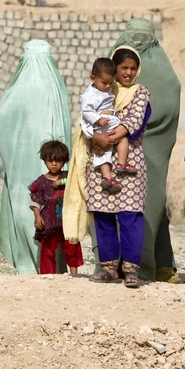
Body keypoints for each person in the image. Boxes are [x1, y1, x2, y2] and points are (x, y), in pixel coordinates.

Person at [63, 47, 151, 289]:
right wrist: (94, 137)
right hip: (100, 161)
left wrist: (105, 139)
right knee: (103, 216)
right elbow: (85, 118)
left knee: (130, 216)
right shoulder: (102, 89)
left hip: (128, 164)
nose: (129, 73)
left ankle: (131, 269)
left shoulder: (140, 93)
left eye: (133, 68)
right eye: (124, 68)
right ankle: (109, 268)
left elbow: (134, 122)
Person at [110, 18, 182, 283]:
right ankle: (160, 265)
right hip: (153, 152)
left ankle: (127, 266)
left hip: (128, 150)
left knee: (125, 206)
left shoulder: (119, 62)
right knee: (152, 204)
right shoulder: (166, 73)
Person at [0, 39, 71, 274]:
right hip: (55, 164)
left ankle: (28, 265)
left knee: (24, 206)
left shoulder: (16, 89)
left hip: (21, 165)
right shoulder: (55, 86)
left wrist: (11, 156)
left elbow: (2, 125)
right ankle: (51, 267)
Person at [80, 57, 134, 195]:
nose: (108, 86)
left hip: (110, 121)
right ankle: (107, 177)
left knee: (122, 140)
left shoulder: (106, 90)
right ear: (93, 78)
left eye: (111, 83)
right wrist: (97, 120)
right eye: (104, 83)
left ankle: (121, 164)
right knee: (103, 151)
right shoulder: (90, 94)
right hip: (101, 124)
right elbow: (86, 111)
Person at [29, 140, 83, 276]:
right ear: (45, 161)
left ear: (64, 161)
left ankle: (74, 274)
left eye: (58, 161)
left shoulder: (67, 177)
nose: (54, 164)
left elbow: (78, 179)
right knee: (47, 250)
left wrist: (62, 182)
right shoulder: (41, 181)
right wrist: (37, 216)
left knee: (72, 247)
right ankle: (48, 276)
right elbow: (36, 200)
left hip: (68, 221)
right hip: (48, 222)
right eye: (50, 161)